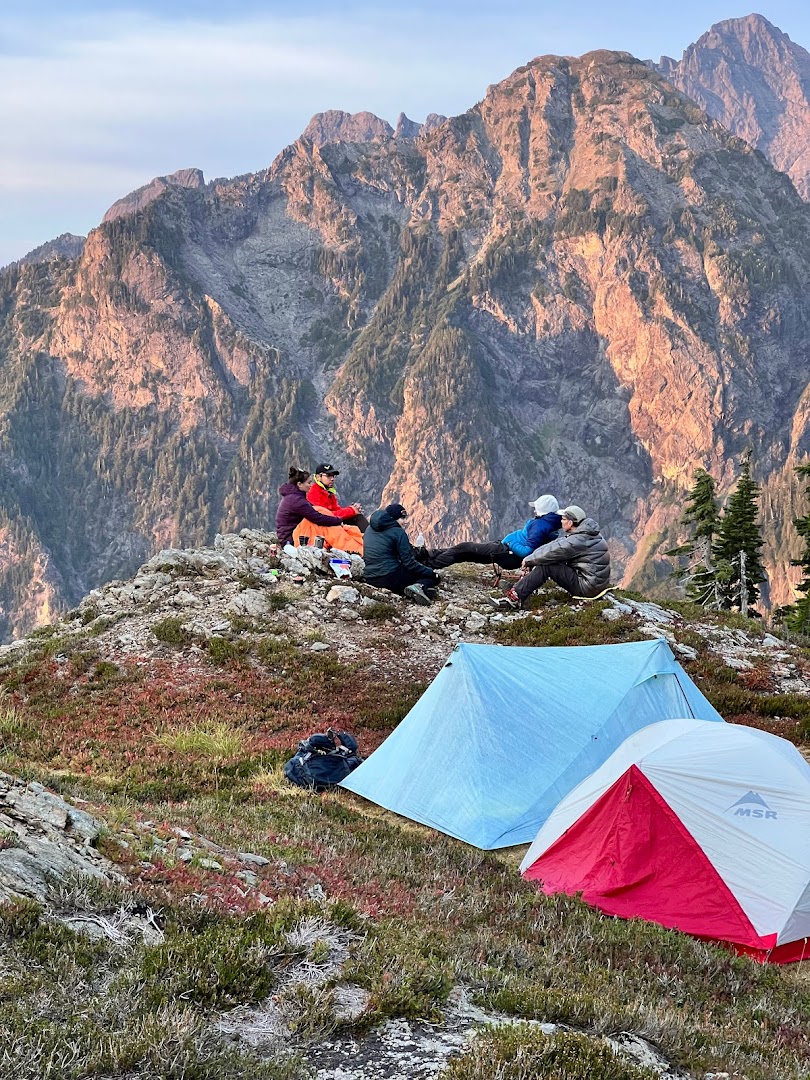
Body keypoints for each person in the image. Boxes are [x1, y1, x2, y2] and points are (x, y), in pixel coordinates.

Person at [489, 505, 610, 609]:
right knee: (548, 560)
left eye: (563, 519)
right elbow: (556, 545)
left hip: (587, 588)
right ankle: (520, 588)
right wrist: (533, 556)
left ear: (570, 522)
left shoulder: (579, 540)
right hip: (595, 584)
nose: (561, 521)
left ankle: (515, 599)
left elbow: (555, 551)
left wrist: (529, 560)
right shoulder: (588, 534)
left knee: (547, 566)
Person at [429, 495, 561, 575]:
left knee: (464, 548)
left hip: (506, 553)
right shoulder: (548, 524)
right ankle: (427, 555)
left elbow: (527, 552)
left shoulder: (540, 526)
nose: (534, 510)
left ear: (543, 511)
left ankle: (429, 565)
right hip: (505, 551)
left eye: (536, 508)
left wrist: (510, 543)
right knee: (464, 551)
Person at [362, 502, 440, 605]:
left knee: (404, 573)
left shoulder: (369, 528)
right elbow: (409, 563)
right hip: (389, 577)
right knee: (431, 577)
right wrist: (431, 572)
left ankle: (416, 589)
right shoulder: (398, 532)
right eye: (402, 518)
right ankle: (419, 586)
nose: (405, 521)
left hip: (370, 578)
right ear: (393, 518)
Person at [276, 467, 346, 546]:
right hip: (290, 540)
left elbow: (313, 510)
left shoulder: (294, 497)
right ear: (299, 484)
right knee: (320, 524)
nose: (311, 485)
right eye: (309, 483)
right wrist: (338, 521)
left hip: (287, 535)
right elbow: (317, 518)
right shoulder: (297, 500)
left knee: (320, 512)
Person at [308, 463, 369, 533]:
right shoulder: (313, 493)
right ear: (318, 477)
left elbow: (337, 510)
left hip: (331, 523)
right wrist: (351, 510)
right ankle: (370, 540)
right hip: (322, 527)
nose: (332, 479)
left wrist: (352, 509)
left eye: (333, 476)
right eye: (328, 476)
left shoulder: (329, 492)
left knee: (357, 517)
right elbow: (325, 515)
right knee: (357, 518)